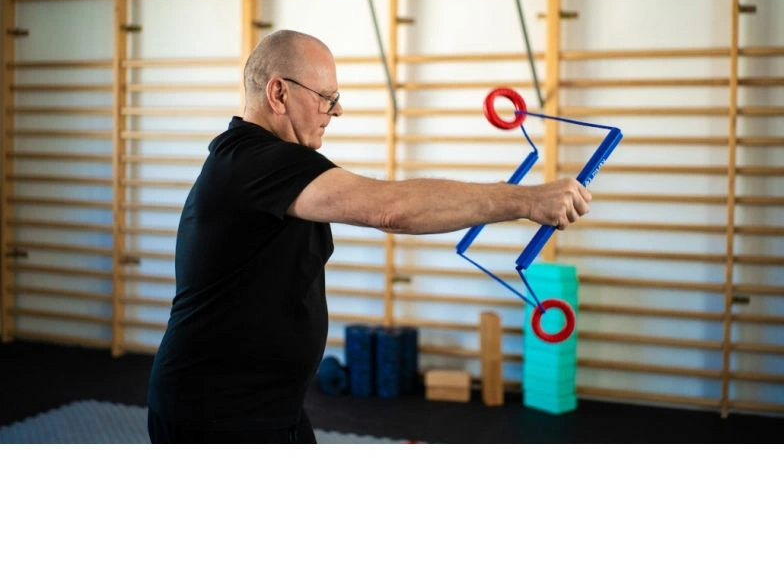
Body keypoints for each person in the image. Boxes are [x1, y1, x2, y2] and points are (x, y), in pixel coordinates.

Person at [146, 29, 591, 443]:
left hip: (269, 407)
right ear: (278, 93)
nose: (336, 111)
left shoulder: (261, 162)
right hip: (216, 414)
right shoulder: (254, 162)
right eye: (326, 98)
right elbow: (391, 209)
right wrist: (526, 201)